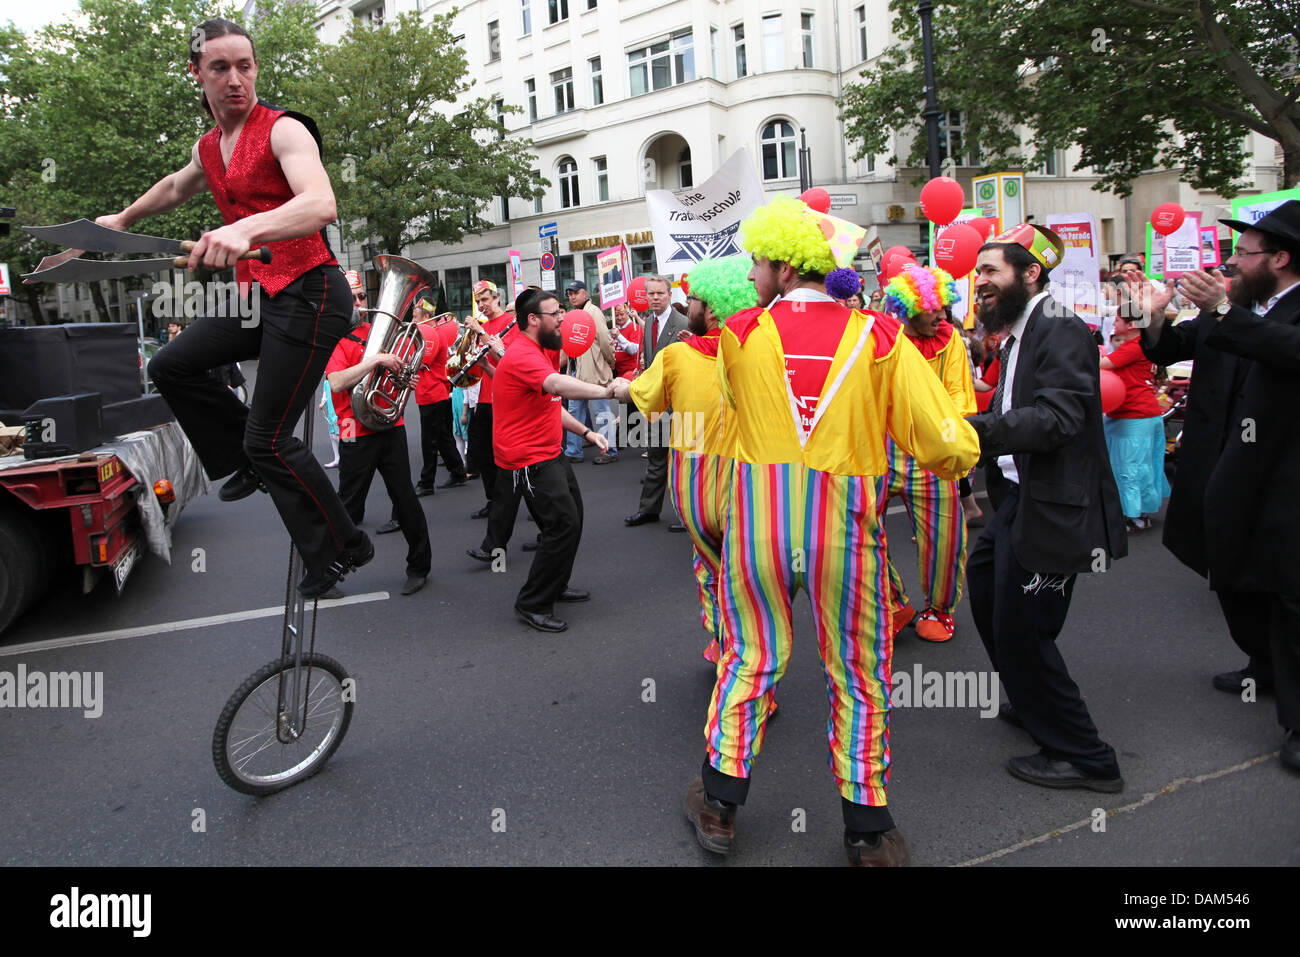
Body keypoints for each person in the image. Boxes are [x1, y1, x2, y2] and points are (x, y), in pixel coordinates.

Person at [683, 196, 980, 866]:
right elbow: (943, 442)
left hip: (757, 524)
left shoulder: (740, 335)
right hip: (846, 530)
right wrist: (969, 446)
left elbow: (736, 407)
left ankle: (721, 803)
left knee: (749, 657)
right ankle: (868, 828)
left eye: (759, 261)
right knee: (859, 669)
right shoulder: (879, 336)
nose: (752, 272)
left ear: (786, 267)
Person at [112, 17, 370, 598]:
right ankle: (246, 455)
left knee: (272, 438)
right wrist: (124, 220)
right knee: (169, 366)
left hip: (309, 292)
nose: (236, 79)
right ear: (196, 72)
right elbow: (176, 187)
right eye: (221, 67)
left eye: (245, 66)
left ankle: (344, 545)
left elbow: (320, 203)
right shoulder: (211, 146)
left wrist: (247, 227)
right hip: (261, 297)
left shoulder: (284, 131)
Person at [1133, 199, 1300, 771]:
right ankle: (1265, 667)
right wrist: (1153, 314)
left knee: (1286, 589)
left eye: (1244, 252)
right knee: (1229, 570)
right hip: (1220, 464)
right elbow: (1171, 348)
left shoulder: (1270, 310)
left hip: (1279, 475)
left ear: (1279, 258)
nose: (1232, 260)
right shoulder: (1239, 305)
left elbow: (1281, 349)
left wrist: (1226, 309)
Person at [965, 223, 1128, 793]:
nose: (978, 280)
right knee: (985, 589)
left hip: (1052, 506)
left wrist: (971, 430)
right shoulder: (1019, 330)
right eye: (977, 270)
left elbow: (1060, 419)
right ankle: (1031, 698)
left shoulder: (1060, 328)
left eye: (990, 271)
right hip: (1016, 498)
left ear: (1030, 273)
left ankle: (1087, 757)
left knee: (1025, 628)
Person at [613, 254, 756, 663]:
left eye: (692, 299)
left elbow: (644, 400)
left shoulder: (678, 354)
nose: (684, 305)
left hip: (698, 475)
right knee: (743, 571)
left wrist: (620, 389)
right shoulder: (758, 351)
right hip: (749, 474)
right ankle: (743, 647)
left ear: (711, 309)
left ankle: (732, 649)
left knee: (710, 569)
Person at [491, 288, 615, 633]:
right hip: (529, 458)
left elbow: (550, 406)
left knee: (569, 521)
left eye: (562, 311)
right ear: (533, 320)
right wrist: (607, 390)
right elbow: (558, 385)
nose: (563, 319)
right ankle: (533, 602)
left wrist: (588, 433)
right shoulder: (522, 353)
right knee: (562, 525)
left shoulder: (540, 350)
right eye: (555, 314)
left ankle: (554, 585)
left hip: (549, 451)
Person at [877, 264, 977, 643]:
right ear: (908, 308)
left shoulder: (950, 341)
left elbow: (957, 397)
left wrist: (952, 447)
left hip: (932, 454)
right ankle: (893, 602)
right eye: (932, 308)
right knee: (858, 529)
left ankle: (940, 609)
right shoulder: (885, 338)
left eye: (943, 307)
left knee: (945, 537)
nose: (941, 315)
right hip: (883, 450)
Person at [324, 311, 431, 597]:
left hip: (389, 424)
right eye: (353, 298)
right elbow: (336, 382)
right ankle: (324, 572)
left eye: (361, 297)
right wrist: (374, 359)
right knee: (347, 503)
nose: (359, 305)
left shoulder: (380, 332)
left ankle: (419, 567)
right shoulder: (335, 339)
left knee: (405, 498)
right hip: (353, 429)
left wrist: (407, 379)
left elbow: (403, 369)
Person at [625, 275, 688, 526]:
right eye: (651, 294)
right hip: (658, 406)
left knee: (683, 463)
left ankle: (688, 517)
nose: (655, 298)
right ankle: (649, 509)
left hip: (681, 404)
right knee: (656, 458)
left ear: (670, 295)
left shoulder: (684, 323)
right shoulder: (649, 322)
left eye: (660, 293)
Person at [1100, 312, 1170, 531]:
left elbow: (1101, 364)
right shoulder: (1143, 345)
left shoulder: (1134, 347)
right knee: (1140, 466)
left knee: (1129, 467)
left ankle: (1134, 514)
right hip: (1140, 413)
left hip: (1134, 415)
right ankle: (1137, 513)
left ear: (1131, 324)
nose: (1113, 322)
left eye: (1118, 319)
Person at [463, 280, 514, 519]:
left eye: (485, 299)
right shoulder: (483, 325)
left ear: (496, 298)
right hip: (484, 395)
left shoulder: (509, 323)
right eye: (478, 301)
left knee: (505, 455)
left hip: (504, 397)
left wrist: (481, 332)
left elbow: (507, 361)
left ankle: (508, 502)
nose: (481, 305)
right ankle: (493, 500)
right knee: (482, 452)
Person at [410, 296, 468, 495]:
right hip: (432, 392)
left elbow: (416, 360)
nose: (413, 320)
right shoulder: (430, 333)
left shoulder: (430, 334)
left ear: (427, 316)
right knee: (441, 436)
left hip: (432, 392)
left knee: (429, 440)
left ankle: (427, 483)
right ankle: (458, 471)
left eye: (416, 316)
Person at [563, 280, 619, 464]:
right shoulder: (574, 314)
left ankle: (609, 450)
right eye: (570, 293)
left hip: (593, 370)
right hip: (577, 371)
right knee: (574, 412)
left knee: (600, 412)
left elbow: (605, 340)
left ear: (585, 293)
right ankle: (573, 451)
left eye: (575, 292)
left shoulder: (593, 312)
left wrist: (610, 361)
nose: (572, 296)